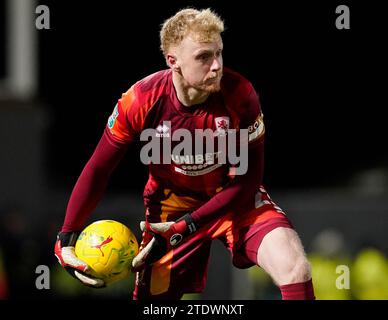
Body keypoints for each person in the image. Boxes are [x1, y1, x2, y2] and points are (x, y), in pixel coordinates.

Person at [54, 8, 315, 300]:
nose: (216, 66)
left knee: (295, 270)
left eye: (219, 53)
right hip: (170, 212)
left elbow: (249, 179)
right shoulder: (140, 99)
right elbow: (99, 169)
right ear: (173, 61)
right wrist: (67, 234)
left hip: (233, 199)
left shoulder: (240, 94)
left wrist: (190, 224)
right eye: (204, 57)